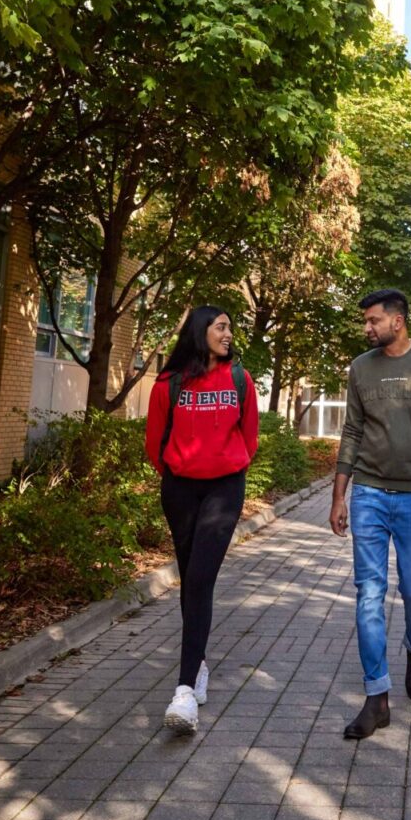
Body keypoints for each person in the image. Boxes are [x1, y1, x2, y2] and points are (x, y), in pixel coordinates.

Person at [330, 289, 411, 740]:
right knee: (368, 592)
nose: (366, 328)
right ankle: (376, 697)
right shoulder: (360, 368)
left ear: (397, 321)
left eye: (372, 320)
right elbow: (351, 431)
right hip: (367, 493)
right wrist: (338, 495)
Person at [145, 307, 258, 734]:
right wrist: (176, 473)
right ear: (201, 331)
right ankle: (201, 665)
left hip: (224, 490)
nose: (229, 334)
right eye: (221, 327)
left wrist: (232, 468)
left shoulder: (239, 379)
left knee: (201, 578)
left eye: (230, 328)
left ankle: (185, 691)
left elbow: (249, 436)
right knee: (191, 577)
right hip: (179, 489)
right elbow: (155, 441)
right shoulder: (168, 383)